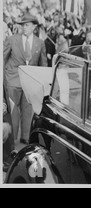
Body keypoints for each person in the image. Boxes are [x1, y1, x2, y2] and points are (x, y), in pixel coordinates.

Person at [3, 12, 48, 144]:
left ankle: (26, 138)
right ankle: (12, 140)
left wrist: (42, 85)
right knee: (13, 111)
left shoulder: (40, 43)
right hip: (13, 80)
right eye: (22, 25)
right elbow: (3, 59)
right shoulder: (12, 40)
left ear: (34, 27)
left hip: (30, 83)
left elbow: (43, 66)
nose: (24, 27)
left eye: (27, 25)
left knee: (28, 110)